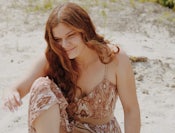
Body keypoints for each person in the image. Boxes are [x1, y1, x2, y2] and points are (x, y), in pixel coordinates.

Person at [2, 2, 140, 133]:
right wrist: (12, 94)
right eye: (58, 39)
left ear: (84, 31)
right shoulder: (54, 56)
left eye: (70, 35)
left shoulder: (114, 58)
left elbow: (131, 110)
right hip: (64, 129)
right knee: (41, 86)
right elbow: (17, 89)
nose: (64, 45)